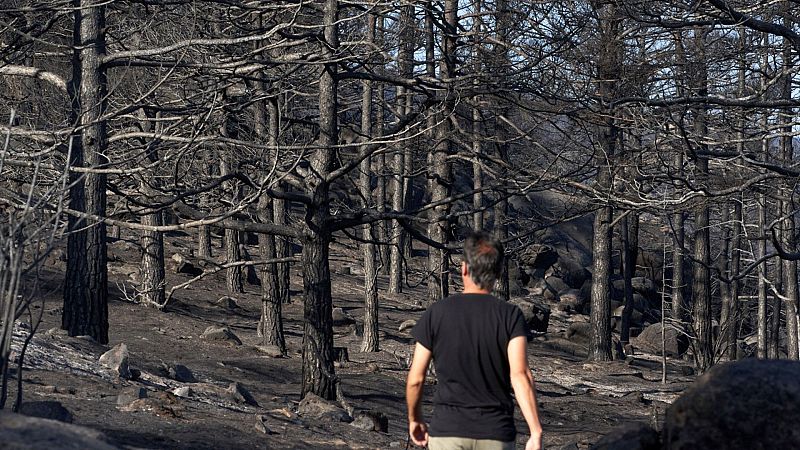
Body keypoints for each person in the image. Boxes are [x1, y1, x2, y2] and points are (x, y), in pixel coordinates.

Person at [406, 231, 543, 450]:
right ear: (497, 273)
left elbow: (416, 379)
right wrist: (535, 431)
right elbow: (520, 374)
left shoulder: (436, 313)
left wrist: (415, 419)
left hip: (447, 432)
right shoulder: (510, 316)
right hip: (496, 432)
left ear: (464, 268)